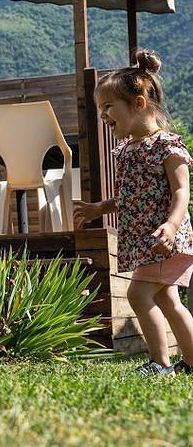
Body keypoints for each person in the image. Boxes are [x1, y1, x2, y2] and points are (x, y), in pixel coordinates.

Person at [74, 49, 193, 376]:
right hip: (149, 241)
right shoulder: (128, 149)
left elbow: (181, 193)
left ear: (138, 103)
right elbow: (131, 197)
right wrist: (101, 207)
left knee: (138, 295)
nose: (103, 115)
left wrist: (170, 226)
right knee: (169, 301)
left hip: (167, 239)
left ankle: (160, 364)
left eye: (108, 107)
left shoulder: (168, 147)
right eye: (100, 109)